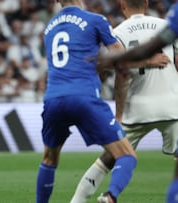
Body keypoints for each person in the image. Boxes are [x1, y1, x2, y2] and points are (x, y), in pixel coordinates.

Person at [71, 0, 177, 203]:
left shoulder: (117, 32)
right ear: (146, 4)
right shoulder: (166, 26)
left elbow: (122, 77)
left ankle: (80, 200)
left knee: (109, 157)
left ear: (122, 6)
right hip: (172, 105)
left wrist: (119, 115)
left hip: (136, 109)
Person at [36, 0, 138, 203]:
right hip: (83, 97)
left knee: (49, 159)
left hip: (53, 98)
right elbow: (121, 59)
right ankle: (111, 196)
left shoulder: (49, 27)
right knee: (127, 155)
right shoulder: (95, 20)